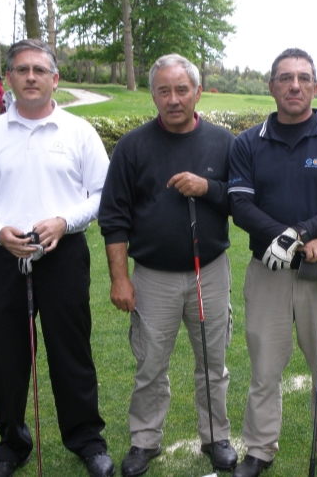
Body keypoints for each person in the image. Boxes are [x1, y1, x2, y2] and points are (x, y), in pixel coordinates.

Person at [0, 39, 115, 477]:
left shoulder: (78, 132)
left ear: (55, 79)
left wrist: (64, 221)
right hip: (5, 254)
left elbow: (102, 195)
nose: (31, 77)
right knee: (7, 355)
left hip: (63, 253)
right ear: (9, 78)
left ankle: (87, 439)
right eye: (22, 69)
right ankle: (11, 445)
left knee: (72, 350)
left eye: (40, 70)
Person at [97, 53, 237, 477]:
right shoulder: (132, 146)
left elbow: (244, 201)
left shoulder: (224, 142)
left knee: (213, 363)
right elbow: (114, 217)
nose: (173, 99)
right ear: (154, 94)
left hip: (209, 273)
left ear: (197, 92)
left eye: (181, 90)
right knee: (150, 364)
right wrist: (119, 278)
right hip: (152, 276)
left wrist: (208, 186)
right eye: (164, 91)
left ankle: (215, 437)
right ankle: (144, 440)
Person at [228, 48, 317, 477]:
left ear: (316, 87)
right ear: (271, 86)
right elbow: (240, 205)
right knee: (265, 366)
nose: (294, 86)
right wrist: (289, 238)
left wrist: (299, 235)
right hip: (267, 271)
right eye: (285, 78)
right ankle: (260, 448)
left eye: (303, 78)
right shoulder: (248, 141)